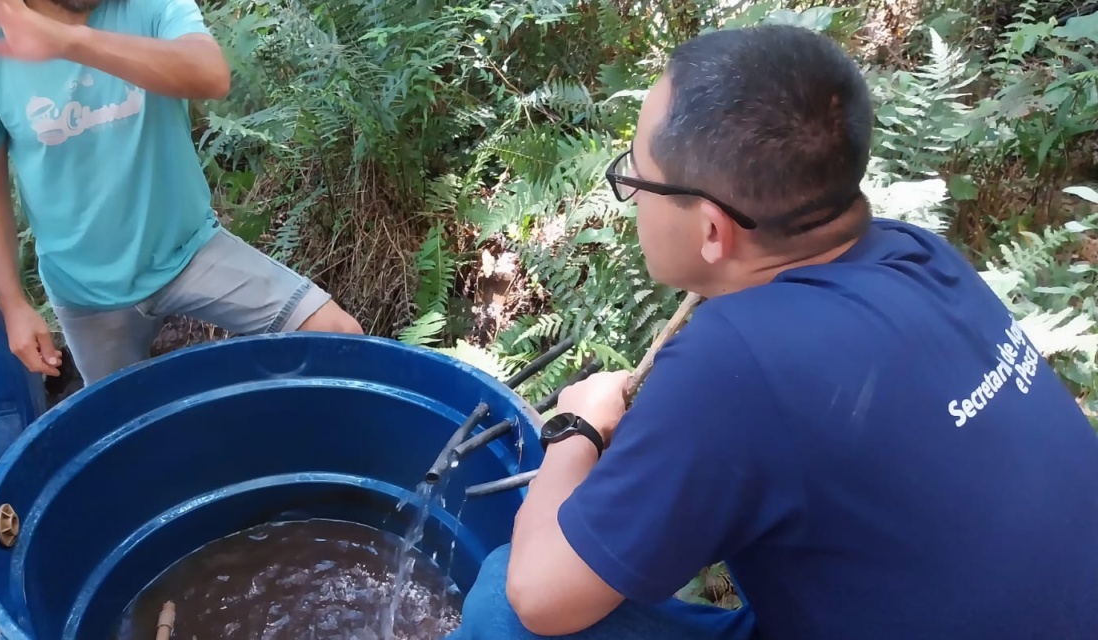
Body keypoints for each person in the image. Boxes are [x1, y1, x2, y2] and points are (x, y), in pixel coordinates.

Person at [447, 24, 1098, 640]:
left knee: (501, 599)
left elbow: (540, 598)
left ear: (710, 229)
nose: (631, 196)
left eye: (635, 176)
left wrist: (575, 428)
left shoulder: (737, 361)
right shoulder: (917, 255)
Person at [0, 0, 362, 387]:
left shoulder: (145, 5)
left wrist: (66, 42)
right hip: (85, 289)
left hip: (190, 250)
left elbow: (208, 73)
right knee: (119, 435)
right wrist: (13, 304)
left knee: (339, 337)